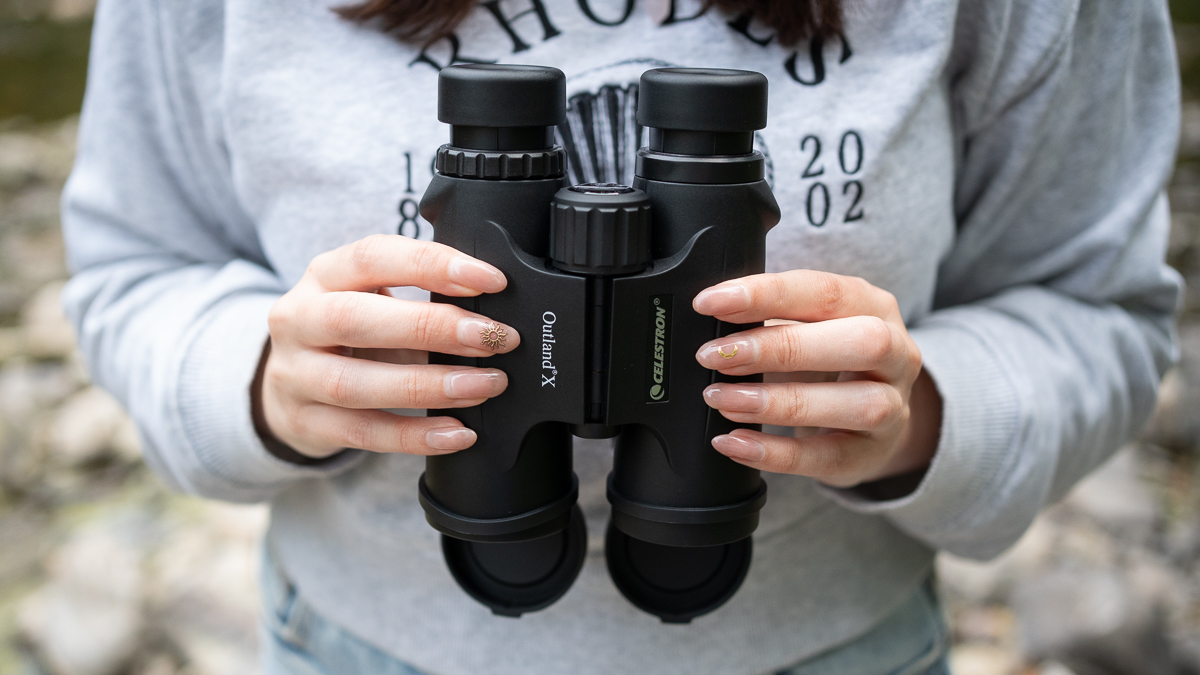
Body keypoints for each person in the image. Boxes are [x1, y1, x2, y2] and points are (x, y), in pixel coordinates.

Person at [61, 0, 1181, 673]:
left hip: (832, 650)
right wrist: (267, 379)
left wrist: (919, 414)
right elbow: (129, 265)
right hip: (356, 648)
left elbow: (1103, 308)